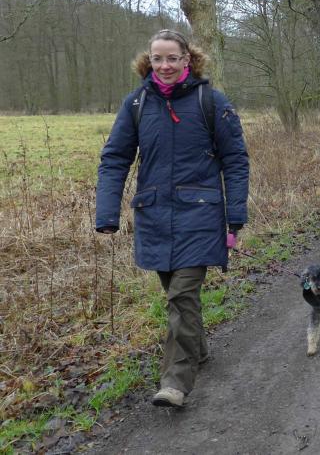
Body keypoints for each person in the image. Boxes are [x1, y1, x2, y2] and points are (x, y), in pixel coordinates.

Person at [95, 29, 249, 408]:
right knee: (178, 295)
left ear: (187, 60)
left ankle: (175, 382)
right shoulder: (136, 104)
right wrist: (107, 212)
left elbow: (235, 160)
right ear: (149, 61)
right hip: (154, 217)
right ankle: (198, 349)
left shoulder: (211, 101)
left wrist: (235, 217)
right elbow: (115, 158)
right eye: (157, 58)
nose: (164, 65)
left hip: (201, 215)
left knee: (181, 296)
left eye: (172, 58)